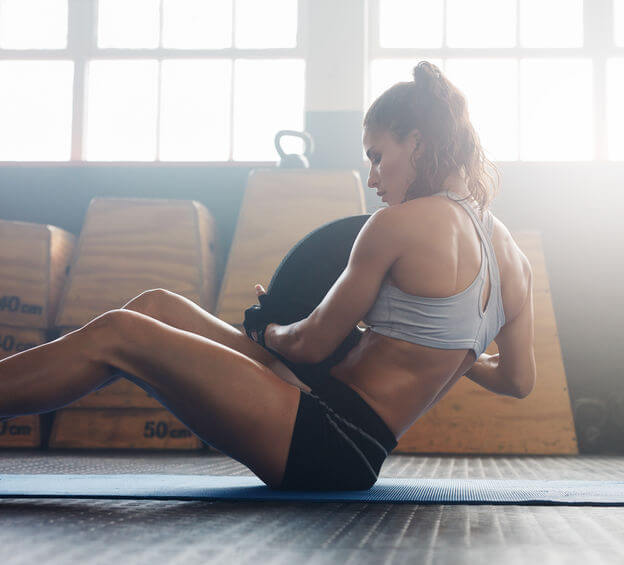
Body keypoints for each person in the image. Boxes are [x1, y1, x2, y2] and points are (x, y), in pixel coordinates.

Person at [0, 61, 536, 490]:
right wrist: (452, 348)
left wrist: (268, 329)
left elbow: (308, 343)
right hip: (334, 421)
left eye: (377, 157)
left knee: (120, 332)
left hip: (328, 438)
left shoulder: (397, 224)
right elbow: (517, 381)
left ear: (416, 142)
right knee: (156, 305)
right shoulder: (514, 261)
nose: (372, 177)